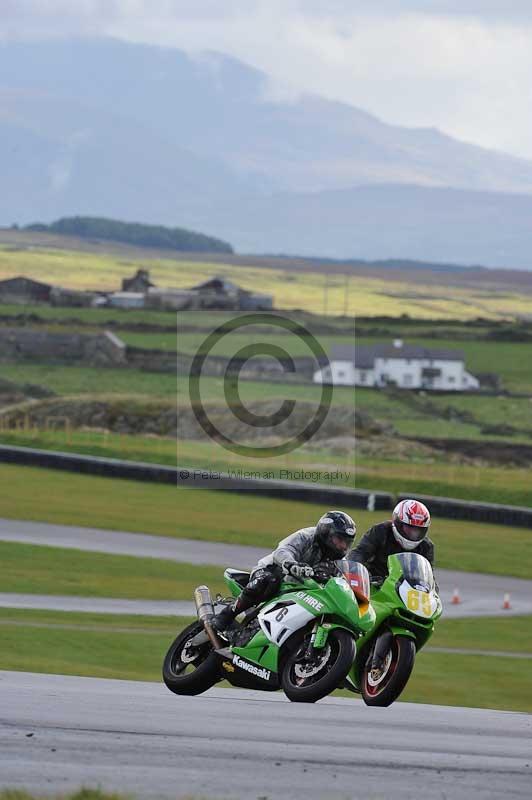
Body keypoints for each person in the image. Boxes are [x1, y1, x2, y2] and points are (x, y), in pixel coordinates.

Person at [213, 510, 357, 632]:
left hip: (301, 590)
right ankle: (227, 614)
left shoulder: (339, 562)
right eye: (339, 539)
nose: (343, 546)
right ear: (326, 532)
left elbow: (342, 583)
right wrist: (291, 564)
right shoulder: (306, 536)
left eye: (347, 542)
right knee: (269, 580)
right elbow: (282, 550)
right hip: (274, 572)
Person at [350, 499, 435, 587]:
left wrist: (432, 590)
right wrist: (356, 571)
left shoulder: (426, 546)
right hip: (375, 586)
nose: (413, 533)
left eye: (417, 530)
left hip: (406, 590)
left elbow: (429, 578)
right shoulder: (380, 531)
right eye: (409, 528)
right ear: (398, 523)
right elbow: (360, 553)